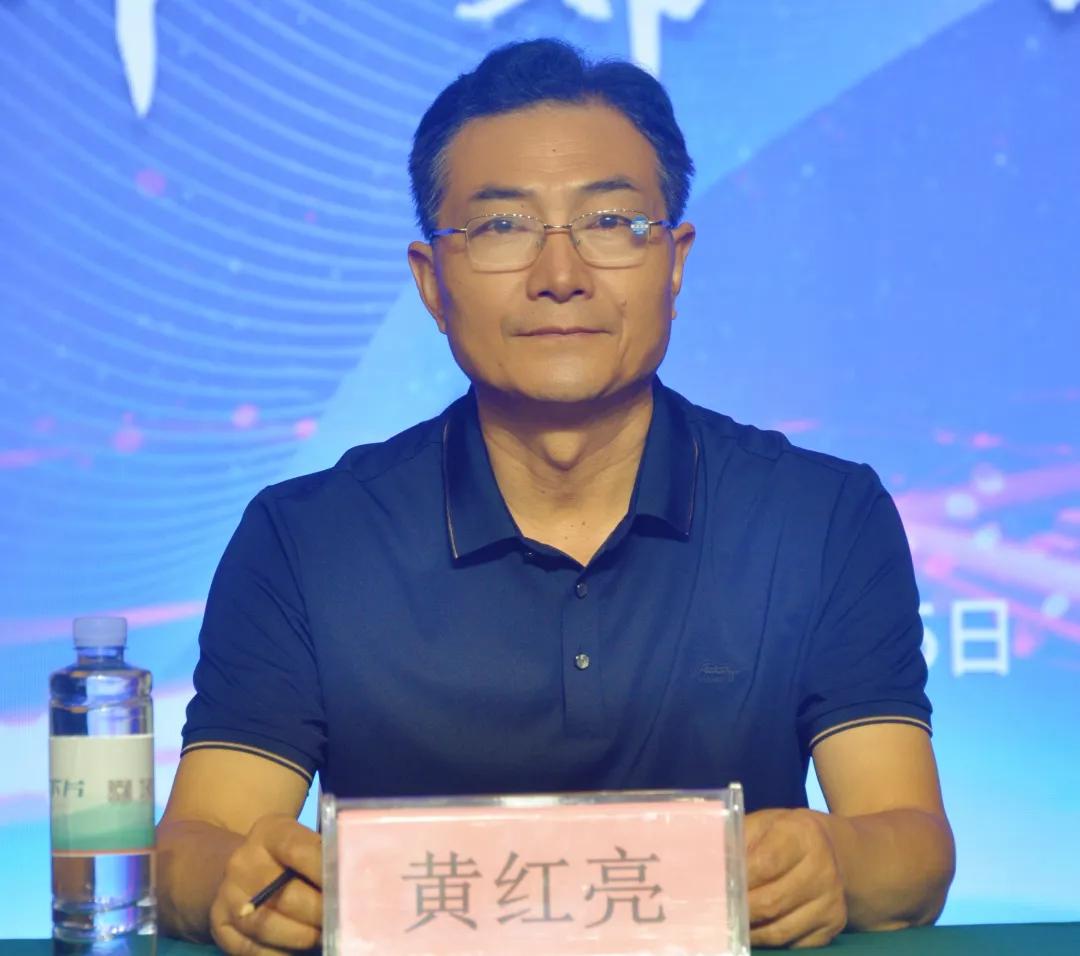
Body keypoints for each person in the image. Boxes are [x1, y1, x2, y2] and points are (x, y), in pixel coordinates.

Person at [157, 38, 954, 952]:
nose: (561, 276)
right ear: (431, 282)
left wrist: (835, 862)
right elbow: (193, 844)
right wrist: (237, 883)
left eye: (610, 221)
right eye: (502, 227)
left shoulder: (821, 517)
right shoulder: (308, 539)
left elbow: (911, 847)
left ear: (675, 262)